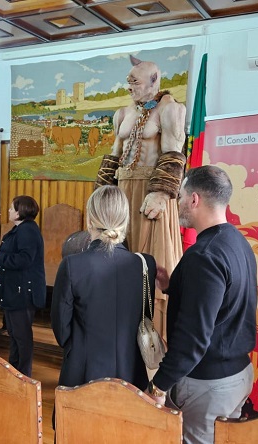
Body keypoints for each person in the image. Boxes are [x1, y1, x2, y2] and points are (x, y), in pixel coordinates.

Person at [146, 165, 257, 444]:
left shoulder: (204, 254)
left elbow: (193, 337)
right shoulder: (236, 241)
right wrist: (173, 285)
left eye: (181, 196)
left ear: (194, 199)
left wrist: (158, 387)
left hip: (210, 385)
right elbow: (223, 302)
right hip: (238, 373)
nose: (179, 203)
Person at [95, 55, 187, 338]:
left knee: (149, 261)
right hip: (122, 192)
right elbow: (114, 153)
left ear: (154, 80)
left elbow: (173, 152)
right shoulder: (122, 113)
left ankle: (153, 331)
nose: (130, 87)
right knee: (115, 253)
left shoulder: (171, 109)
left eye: (134, 81)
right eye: (128, 82)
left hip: (150, 193)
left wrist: (161, 193)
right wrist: (100, 194)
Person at [51, 185, 155, 391]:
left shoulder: (72, 265)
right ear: (125, 221)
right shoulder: (145, 264)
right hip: (132, 371)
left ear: (90, 220)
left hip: (84, 371)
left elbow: (62, 331)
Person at [0, 196, 45, 377]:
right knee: (16, 335)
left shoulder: (27, 231)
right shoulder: (22, 229)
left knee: (22, 337)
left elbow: (25, 260)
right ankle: (15, 372)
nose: (8, 211)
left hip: (22, 293)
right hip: (15, 292)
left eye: (11, 208)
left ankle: (23, 376)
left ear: (19, 212)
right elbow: (15, 254)